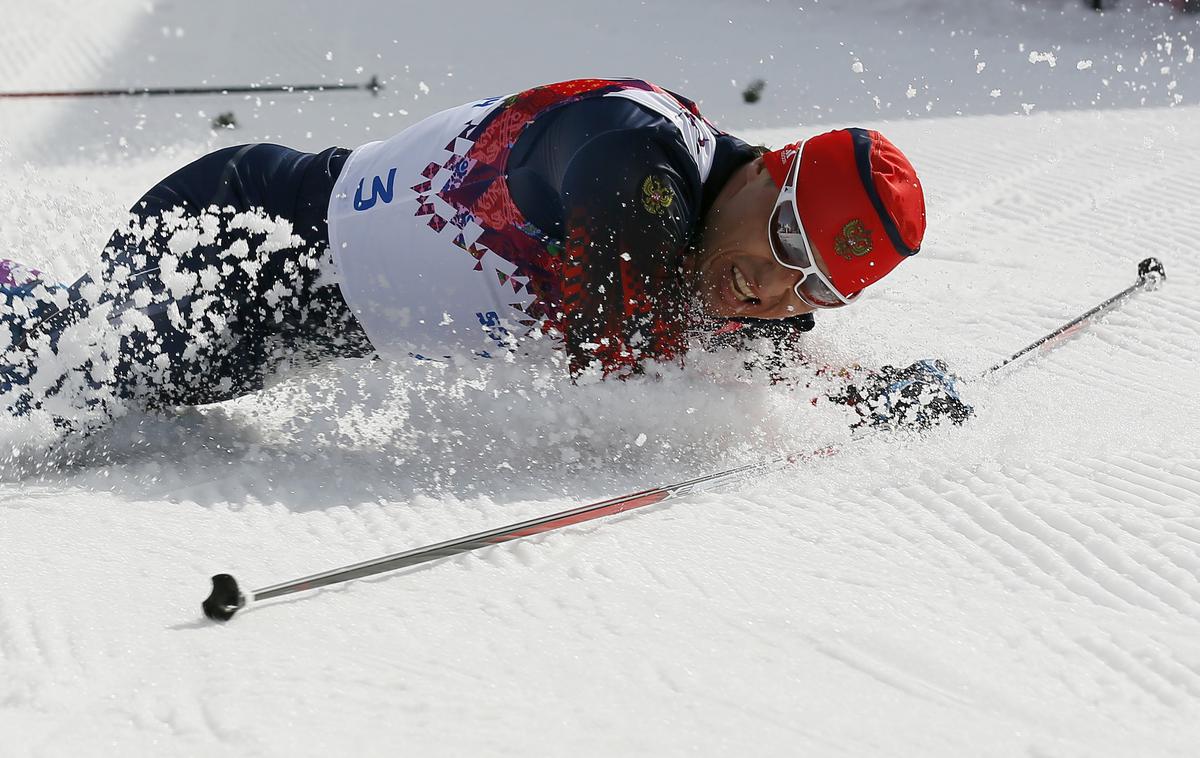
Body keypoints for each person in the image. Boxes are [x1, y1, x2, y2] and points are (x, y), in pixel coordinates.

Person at [0, 76, 969, 432]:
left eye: (819, 288)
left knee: (74, 365)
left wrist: (864, 388)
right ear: (772, 170)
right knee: (48, 378)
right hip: (241, 235)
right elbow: (621, 364)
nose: (773, 286)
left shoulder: (729, 251)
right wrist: (801, 388)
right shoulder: (640, 157)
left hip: (279, 321)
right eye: (789, 240)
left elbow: (755, 346)